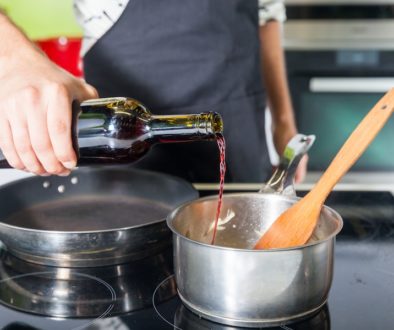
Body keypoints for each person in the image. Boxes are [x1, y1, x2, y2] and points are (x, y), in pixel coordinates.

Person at [0, 0, 307, 183]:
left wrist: (283, 121)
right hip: (118, 133)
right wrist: (17, 61)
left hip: (237, 124)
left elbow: (266, 12)